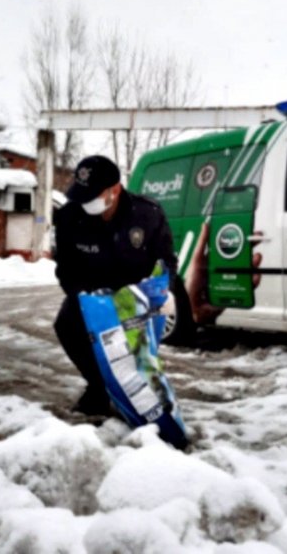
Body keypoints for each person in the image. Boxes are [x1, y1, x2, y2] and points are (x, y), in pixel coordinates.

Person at [53, 155, 177, 416]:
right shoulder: (68, 216)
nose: (86, 203)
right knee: (66, 324)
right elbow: (65, 268)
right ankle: (98, 387)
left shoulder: (147, 214)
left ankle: (139, 391)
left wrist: (164, 291)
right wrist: (85, 298)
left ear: (115, 190)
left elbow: (166, 259)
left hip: (136, 294)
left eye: (93, 196)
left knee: (134, 350)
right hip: (92, 294)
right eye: (82, 195)